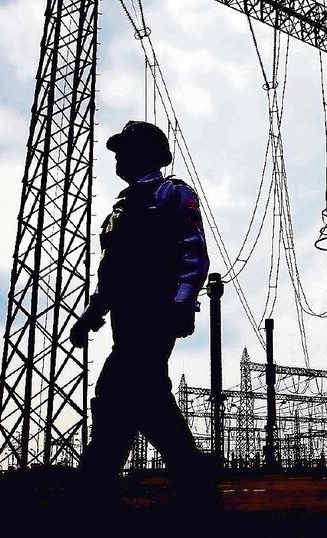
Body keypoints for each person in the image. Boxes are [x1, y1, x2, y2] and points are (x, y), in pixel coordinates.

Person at [69, 120, 210, 497]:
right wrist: (92, 313)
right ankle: (195, 484)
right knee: (146, 399)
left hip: (155, 314)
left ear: (145, 153)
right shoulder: (120, 209)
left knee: (116, 389)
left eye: (124, 150)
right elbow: (112, 271)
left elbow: (192, 251)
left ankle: (93, 487)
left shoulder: (171, 194)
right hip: (125, 318)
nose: (117, 157)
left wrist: (182, 303)